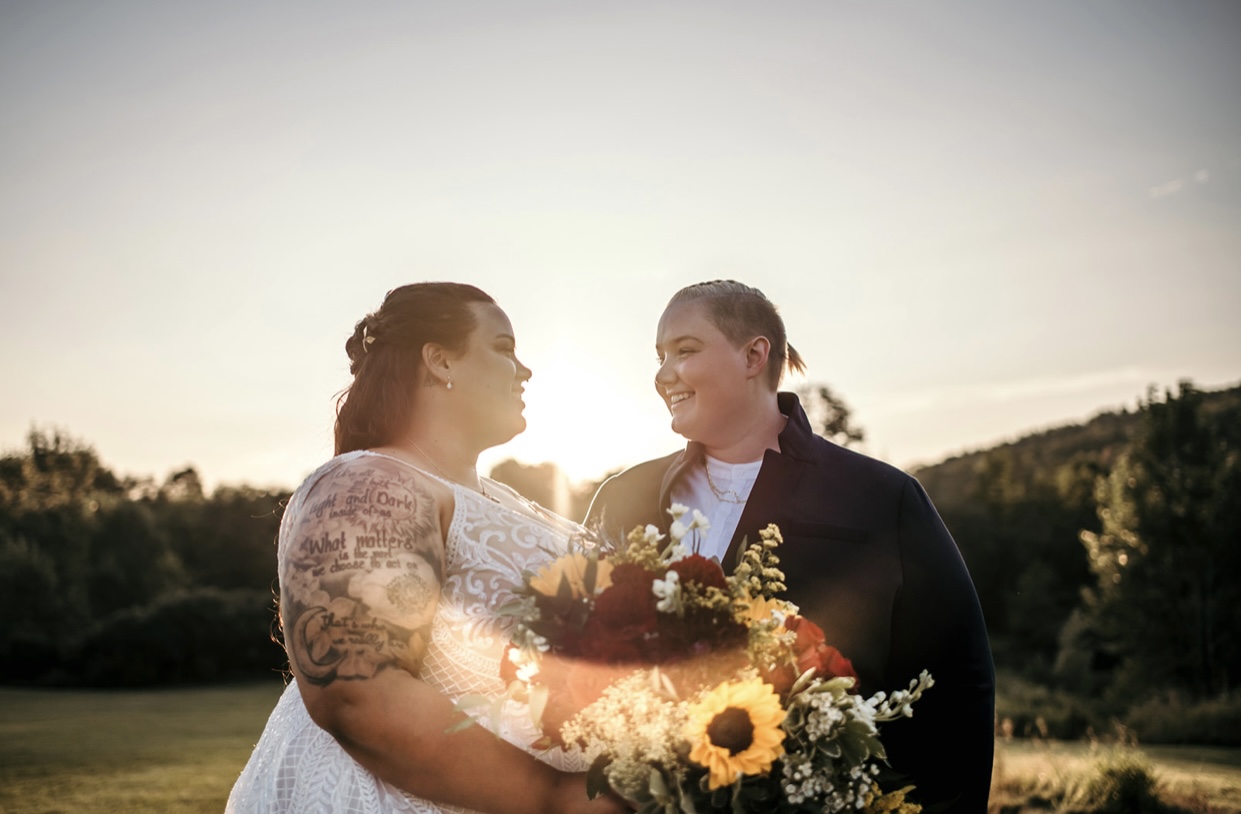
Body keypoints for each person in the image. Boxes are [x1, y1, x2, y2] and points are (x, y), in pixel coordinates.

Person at [586, 280, 994, 813]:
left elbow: (957, 688)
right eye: (660, 356)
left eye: (685, 351)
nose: (663, 375)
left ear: (754, 354)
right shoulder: (623, 498)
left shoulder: (881, 498)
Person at [227, 283, 627, 814]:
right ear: (440, 362)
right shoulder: (369, 485)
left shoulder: (513, 503)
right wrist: (554, 799)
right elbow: (356, 693)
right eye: (505, 348)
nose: (525, 371)